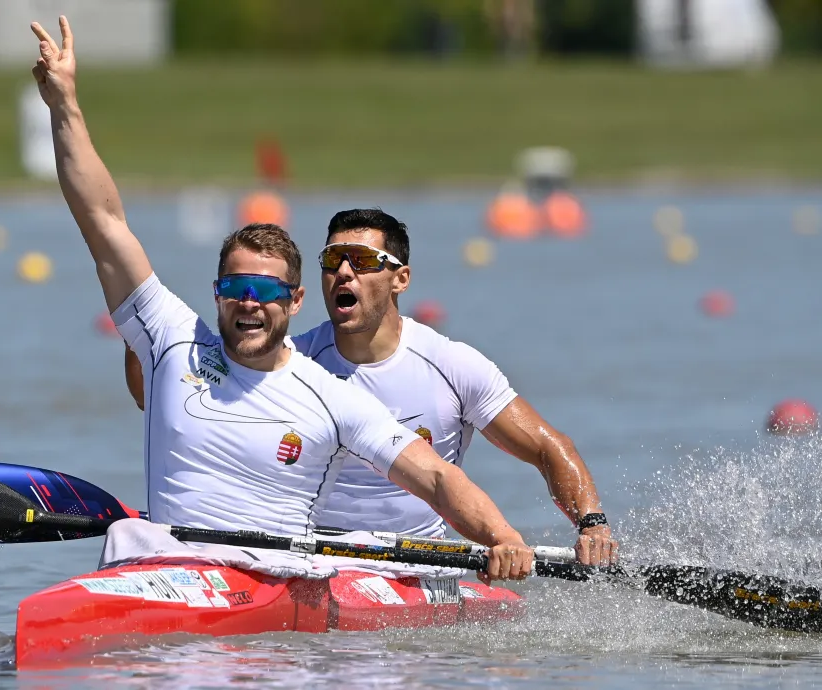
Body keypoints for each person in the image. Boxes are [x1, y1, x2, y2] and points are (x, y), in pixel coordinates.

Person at [30, 17, 533, 581]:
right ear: (217, 294)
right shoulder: (171, 339)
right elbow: (102, 218)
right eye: (236, 289)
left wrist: (503, 537)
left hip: (270, 586)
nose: (249, 303)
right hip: (162, 569)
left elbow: (438, 478)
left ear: (294, 301)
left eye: (266, 292)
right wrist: (65, 104)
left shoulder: (332, 397)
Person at [127, 208, 619, 567]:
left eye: (361, 259)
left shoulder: (452, 366)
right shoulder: (292, 365)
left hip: (420, 565)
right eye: (333, 259)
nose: (343, 270)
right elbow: (164, 399)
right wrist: (148, 343)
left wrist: (591, 523)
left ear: (400, 279)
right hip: (315, 560)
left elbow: (549, 449)